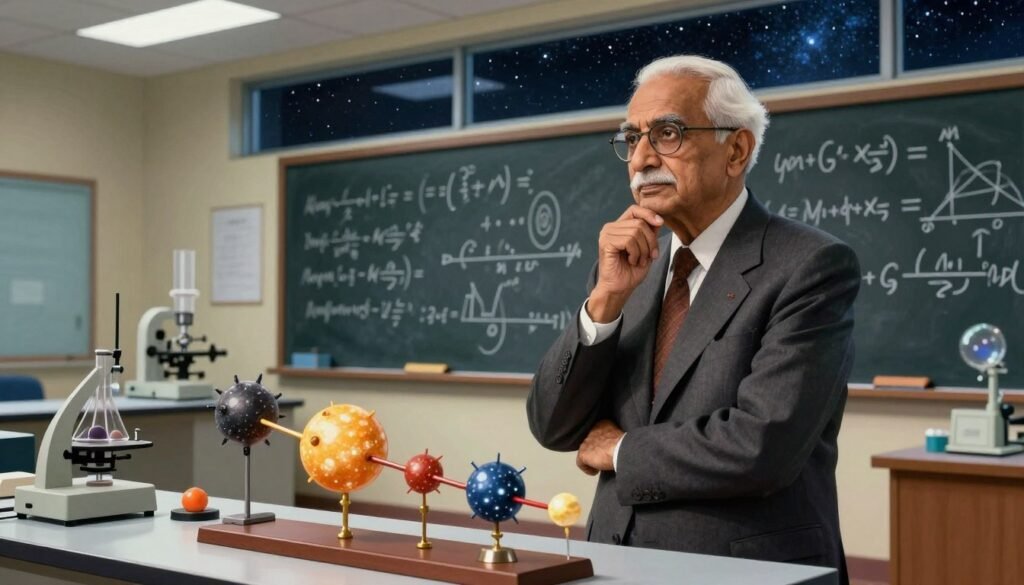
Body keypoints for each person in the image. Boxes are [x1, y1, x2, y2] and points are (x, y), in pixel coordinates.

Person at [526, 55, 859, 583]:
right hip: (613, 561)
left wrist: (619, 449)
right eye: (631, 139)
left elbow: (762, 445)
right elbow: (554, 425)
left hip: (743, 568)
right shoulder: (628, 271)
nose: (640, 159)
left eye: (667, 133)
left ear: (736, 150)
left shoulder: (810, 265)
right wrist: (604, 302)